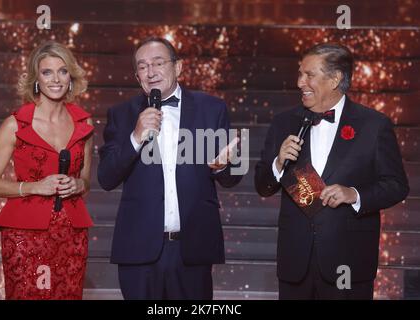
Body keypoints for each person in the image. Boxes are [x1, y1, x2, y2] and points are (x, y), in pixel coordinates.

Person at [254, 43, 409, 299]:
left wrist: (354, 194)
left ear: (335, 79)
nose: (300, 82)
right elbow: (262, 185)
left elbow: (397, 185)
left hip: (349, 264)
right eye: (300, 73)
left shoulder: (374, 125)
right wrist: (278, 163)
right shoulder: (284, 122)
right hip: (295, 265)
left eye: (309, 75)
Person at [97, 37, 241, 300]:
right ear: (137, 76)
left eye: (158, 63)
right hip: (139, 249)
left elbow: (234, 176)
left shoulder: (212, 108)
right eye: (142, 66)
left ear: (178, 68)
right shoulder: (121, 114)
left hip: (192, 249)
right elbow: (106, 177)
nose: (150, 72)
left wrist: (222, 167)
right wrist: (135, 137)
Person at [0, 40, 94, 300]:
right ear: (36, 79)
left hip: (71, 234)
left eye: (63, 71)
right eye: (47, 72)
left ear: (71, 77)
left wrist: (79, 185)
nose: (56, 79)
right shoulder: (15, 125)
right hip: (24, 234)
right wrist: (33, 186)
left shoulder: (84, 123)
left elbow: (86, 179)